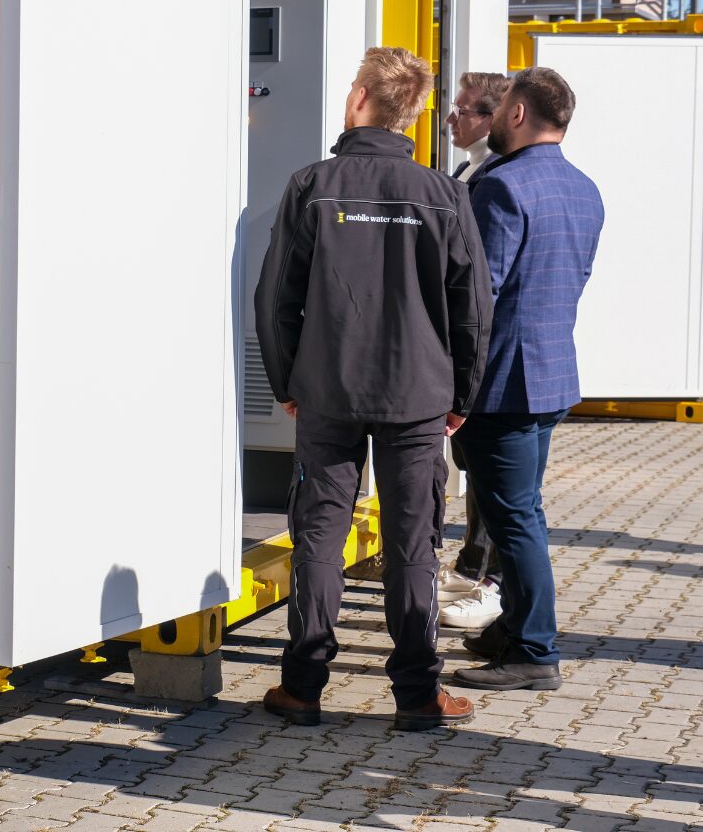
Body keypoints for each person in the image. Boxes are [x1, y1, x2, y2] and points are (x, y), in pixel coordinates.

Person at [254, 47, 493, 731]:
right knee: (413, 542)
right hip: (418, 396)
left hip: (326, 390)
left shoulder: (312, 186)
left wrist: (287, 379)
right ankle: (418, 696)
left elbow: (276, 299)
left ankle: (301, 687)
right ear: (411, 112)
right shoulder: (444, 193)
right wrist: (462, 396)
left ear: (360, 97)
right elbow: (474, 306)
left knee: (319, 536)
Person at [452, 67, 604, 692]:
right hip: (549, 375)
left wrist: (455, 387)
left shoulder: (504, 186)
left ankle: (535, 651)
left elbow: (477, 297)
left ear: (516, 114)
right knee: (522, 511)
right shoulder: (584, 188)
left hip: (503, 383)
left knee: (515, 519)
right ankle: (514, 630)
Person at [439, 71, 513, 632]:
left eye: (464, 110)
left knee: (490, 472)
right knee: (471, 462)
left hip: (487, 349)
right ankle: (472, 562)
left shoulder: (495, 177)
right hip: (466, 347)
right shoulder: (470, 168)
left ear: (493, 117)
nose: (452, 118)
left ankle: (490, 580)